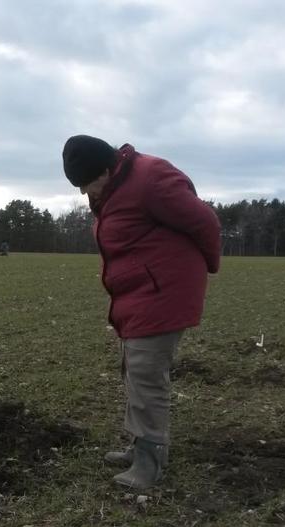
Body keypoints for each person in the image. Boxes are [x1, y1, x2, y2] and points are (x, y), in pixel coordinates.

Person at [62, 134, 221, 490]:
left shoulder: (151, 178)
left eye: (88, 184)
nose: (87, 193)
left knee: (147, 373)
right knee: (132, 369)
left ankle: (150, 462)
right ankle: (139, 445)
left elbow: (205, 222)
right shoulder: (114, 187)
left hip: (164, 292)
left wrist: (206, 268)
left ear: (105, 169)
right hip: (138, 293)